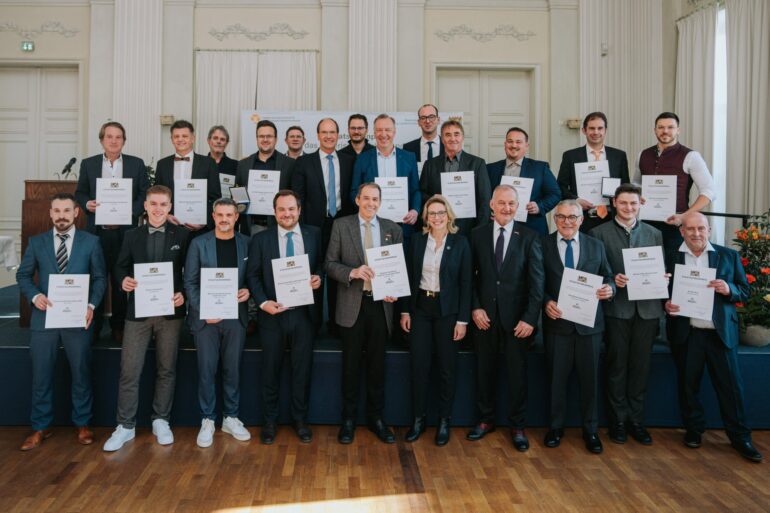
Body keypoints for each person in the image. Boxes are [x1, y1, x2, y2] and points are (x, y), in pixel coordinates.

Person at [664, 212, 762, 462]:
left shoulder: (728, 255)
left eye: (701, 228)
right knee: (688, 386)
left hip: (720, 334)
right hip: (687, 333)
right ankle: (693, 431)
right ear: (682, 231)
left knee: (731, 388)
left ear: (708, 230)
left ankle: (740, 437)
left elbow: (745, 290)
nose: (696, 233)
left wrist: (728, 289)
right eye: (690, 229)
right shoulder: (671, 256)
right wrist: (666, 304)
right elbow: (662, 290)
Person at [102, 185, 190, 452]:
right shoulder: (132, 235)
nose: (158, 209)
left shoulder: (182, 235)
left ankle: (161, 420)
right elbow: (119, 266)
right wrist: (123, 280)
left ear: (170, 207)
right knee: (129, 370)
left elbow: (191, 271)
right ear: (145, 206)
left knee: (167, 368)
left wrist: (184, 294)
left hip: (170, 313)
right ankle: (125, 425)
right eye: (153, 204)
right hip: (138, 313)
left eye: (163, 204)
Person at [16, 193, 106, 450]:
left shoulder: (91, 242)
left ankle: (82, 423)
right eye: (57, 211)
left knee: (81, 372)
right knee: (41, 375)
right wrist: (35, 297)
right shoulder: (37, 242)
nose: (61, 216)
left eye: (67, 210)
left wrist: (91, 305)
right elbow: (23, 275)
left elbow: (100, 278)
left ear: (76, 212)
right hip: (45, 318)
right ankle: (40, 426)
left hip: (78, 317)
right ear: (50, 213)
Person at [466, 185, 544, 451]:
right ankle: (485, 420)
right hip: (484, 318)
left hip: (518, 322)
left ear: (518, 206)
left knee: (517, 375)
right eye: (501, 203)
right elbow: (469, 278)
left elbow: (537, 283)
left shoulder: (530, 237)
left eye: (511, 203)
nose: (506, 208)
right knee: (484, 372)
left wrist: (530, 319)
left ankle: (517, 426)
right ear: (492, 204)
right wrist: (475, 308)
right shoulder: (477, 235)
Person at [325, 182, 402, 444]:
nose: (371, 203)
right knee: (350, 367)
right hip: (351, 306)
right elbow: (329, 264)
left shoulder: (392, 229)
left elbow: (398, 269)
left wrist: (394, 289)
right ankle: (348, 420)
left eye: (375, 199)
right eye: (366, 198)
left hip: (381, 306)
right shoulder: (341, 225)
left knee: (377, 367)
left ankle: (376, 418)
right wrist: (352, 272)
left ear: (380, 202)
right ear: (357, 200)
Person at [589, 183, 665, 445]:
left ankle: (637, 421)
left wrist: (663, 277)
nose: (628, 207)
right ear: (614, 204)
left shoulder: (655, 234)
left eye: (633, 203)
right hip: (617, 309)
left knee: (640, 368)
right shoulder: (598, 233)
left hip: (648, 311)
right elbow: (595, 271)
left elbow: (660, 268)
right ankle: (618, 422)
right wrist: (612, 281)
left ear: (640, 204)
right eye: (623, 203)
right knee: (617, 367)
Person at [248, 190, 322, 444]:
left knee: (302, 371)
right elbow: (253, 275)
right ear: (274, 212)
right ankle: (270, 422)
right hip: (273, 315)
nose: (287, 214)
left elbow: (321, 265)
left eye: (291, 209)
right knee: (270, 370)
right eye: (281, 209)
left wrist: (318, 277)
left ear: (299, 210)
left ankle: (300, 420)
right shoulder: (261, 239)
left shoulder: (314, 235)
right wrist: (263, 303)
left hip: (303, 315)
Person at [542, 200, 615, 454]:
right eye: (561, 217)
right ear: (555, 219)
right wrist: (546, 301)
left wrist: (610, 289)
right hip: (557, 324)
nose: (567, 222)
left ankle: (590, 430)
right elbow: (535, 281)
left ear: (581, 219)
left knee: (589, 380)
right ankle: (555, 428)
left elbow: (608, 276)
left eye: (572, 217)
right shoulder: (542, 244)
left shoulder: (596, 245)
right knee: (556, 380)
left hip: (589, 326)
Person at [400, 195, 471, 446]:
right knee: (419, 367)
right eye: (432, 213)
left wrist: (463, 320)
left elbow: (466, 283)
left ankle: (444, 421)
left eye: (441, 213)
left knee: (446, 369)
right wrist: (405, 311)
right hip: (421, 308)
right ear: (426, 217)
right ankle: (418, 420)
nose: (437, 217)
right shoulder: (417, 241)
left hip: (448, 311)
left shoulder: (461, 243)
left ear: (448, 215)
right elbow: (408, 277)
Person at [184, 198, 252, 448]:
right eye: (220, 215)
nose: (224, 219)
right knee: (206, 369)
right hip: (206, 319)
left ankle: (231, 417)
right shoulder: (198, 243)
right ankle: (207, 419)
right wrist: (204, 310)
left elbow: (252, 277)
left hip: (235, 315)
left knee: (232, 369)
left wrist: (248, 291)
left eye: (229, 215)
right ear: (213, 216)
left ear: (236, 217)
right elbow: (190, 282)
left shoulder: (247, 243)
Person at [75, 121, 148, 342]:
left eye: (118, 137)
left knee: (121, 279)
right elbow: (80, 193)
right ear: (101, 140)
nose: (114, 141)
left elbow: (144, 194)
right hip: (97, 232)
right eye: (109, 136)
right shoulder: (89, 164)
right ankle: (95, 325)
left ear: (124, 141)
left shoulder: (136, 164)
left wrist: (130, 211)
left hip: (125, 233)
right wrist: (87, 204)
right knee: (96, 278)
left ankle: (118, 326)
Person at [292, 118, 356, 334]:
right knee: (315, 273)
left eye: (332, 132)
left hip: (342, 226)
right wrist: (301, 228)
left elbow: (352, 196)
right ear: (318, 135)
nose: (329, 136)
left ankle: (337, 324)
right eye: (324, 132)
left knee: (339, 274)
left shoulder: (349, 161)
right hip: (313, 227)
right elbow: (298, 198)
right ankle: (314, 322)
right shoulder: (304, 162)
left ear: (338, 135)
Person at [634, 112, 716, 252]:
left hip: (676, 224)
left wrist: (685, 216)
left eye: (670, 127)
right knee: (648, 262)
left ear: (678, 130)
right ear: (655, 130)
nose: (665, 131)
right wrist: (638, 195)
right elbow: (636, 184)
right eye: (661, 127)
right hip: (646, 223)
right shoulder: (643, 154)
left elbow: (709, 191)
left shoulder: (691, 156)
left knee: (674, 263)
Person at [350, 114, 421, 243]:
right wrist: (365, 208)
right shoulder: (362, 159)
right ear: (374, 133)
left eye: (387, 130)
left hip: (403, 225)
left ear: (394, 132)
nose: (383, 134)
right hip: (371, 226)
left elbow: (415, 190)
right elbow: (354, 191)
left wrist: (415, 210)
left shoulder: (409, 157)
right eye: (379, 130)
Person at [557, 112, 630, 233]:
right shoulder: (570, 156)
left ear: (605, 130)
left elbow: (625, 186)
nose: (596, 132)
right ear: (584, 131)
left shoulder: (619, 156)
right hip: (582, 218)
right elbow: (560, 187)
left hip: (612, 218)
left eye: (600, 128)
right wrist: (576, 200)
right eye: (591, 128)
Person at [420, 119, 491, 238]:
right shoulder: (430, 165)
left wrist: (480, 230)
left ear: (462, 137)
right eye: (448, 135)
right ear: (442, 139)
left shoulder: (477, 164)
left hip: (469, 229)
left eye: (456, 134)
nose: (452, 139)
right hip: (438, 227)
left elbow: (485, 200)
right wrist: (433, 198)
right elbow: (421, 194)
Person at [486, 127, 561, 235]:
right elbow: (484, 197)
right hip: (499, 228)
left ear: (526, 145)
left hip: (532, 228)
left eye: (518, 142)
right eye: (510, 141)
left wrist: (539, 207)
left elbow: (555, 194)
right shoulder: (490, 169)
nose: (514, 145)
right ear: (505, 144)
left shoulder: (540, 168)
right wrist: (490, 211)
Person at [155, 120, 221, 235]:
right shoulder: (162, 164)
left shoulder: (209, 163)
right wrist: (166, 216)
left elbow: (215, 197)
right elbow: (157, 196)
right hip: (170, 227)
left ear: (193, 139)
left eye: (185, 136)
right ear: (172, 139)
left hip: (199, 229)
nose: (180, 139)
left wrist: (203, 221)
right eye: (176, 136)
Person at [236, 119, 296, 235]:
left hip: (280, 227)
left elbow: (295, 196)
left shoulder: (290, 164)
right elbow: (238, 195)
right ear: (257, 139)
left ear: (276, 139)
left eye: (269, 136)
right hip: (251, 228)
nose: (265, 139)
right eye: (261, 136)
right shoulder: (243, 165)